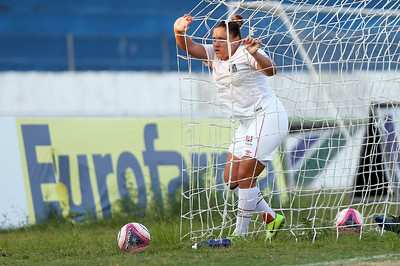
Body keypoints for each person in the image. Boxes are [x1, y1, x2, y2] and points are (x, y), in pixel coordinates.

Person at [174, 14, 288, 241]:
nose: (216, 43)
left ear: (236, 40)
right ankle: (271, 218)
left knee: (245, 174)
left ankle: (239, 235)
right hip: (246, 123)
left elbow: (271, 70)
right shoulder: (213, 55)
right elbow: (190, 47)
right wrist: (179, 31)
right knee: (231, 179)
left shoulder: (247, 52)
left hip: (268, 116)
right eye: (214, 38)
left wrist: (256, 53)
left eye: (221, 39)